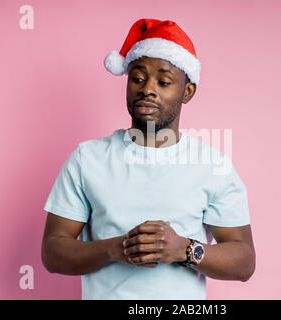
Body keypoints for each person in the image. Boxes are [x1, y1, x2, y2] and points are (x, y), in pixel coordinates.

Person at [41, 18, 255, 300]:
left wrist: (185, 250)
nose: (147, 89)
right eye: (138, 78)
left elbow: (244, 261)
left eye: (164, 81)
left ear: (186, 92)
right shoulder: (87, 158)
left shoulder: (212, 165)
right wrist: (116, 249)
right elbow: (53, 252)